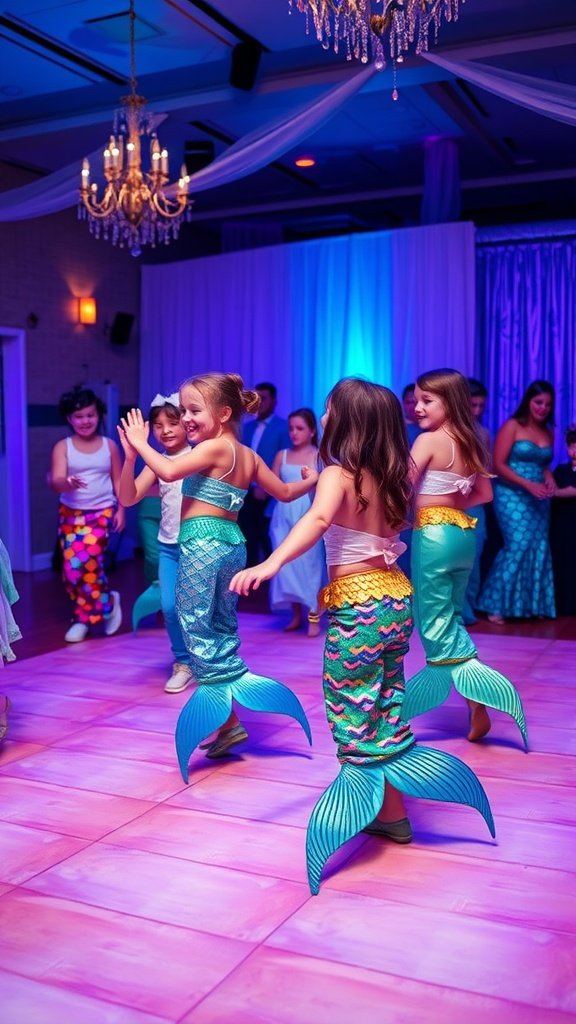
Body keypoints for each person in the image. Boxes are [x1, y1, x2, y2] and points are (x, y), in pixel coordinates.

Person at [231, 377, 495, 896]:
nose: (324, 413)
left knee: (352, 705)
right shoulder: (391, 475)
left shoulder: (339, 473)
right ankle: (393, 811)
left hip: (358, 604)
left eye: (329, 407)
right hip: (396, 599)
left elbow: (321, 517)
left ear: (344, 419)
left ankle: (368, 808)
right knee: (386, 701)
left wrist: (272, 559)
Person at [119, 373, 315, 778]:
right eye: (183, 410)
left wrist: (141, 443)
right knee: (221, 626)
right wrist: (308, 483)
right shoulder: (245, 453)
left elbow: (170, 473)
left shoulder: (215, 448)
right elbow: (283, 492)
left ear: (224, 413)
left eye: (193, 410)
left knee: (194, 628)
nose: (185, 418)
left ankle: (227, 718)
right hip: (231, 545)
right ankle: (228, 722)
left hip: (203, 544)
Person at [403, 369, 527, 747]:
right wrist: (451, 501)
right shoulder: (470, 439)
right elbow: (485, 494)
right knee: (451, 616)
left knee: (433, 623)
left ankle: (478, 696)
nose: (418, 407)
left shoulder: (427, 441)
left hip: (433, 536)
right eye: (417, 400)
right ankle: (476, 699)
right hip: (461, 533)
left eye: (427, 400)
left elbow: (400, 486)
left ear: (449, 402)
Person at [118, 393, 194, 694]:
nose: (165, 430)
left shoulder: (199, 455)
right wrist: (130, 458)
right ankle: (183, 662)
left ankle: (211, 661)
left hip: (197, 546)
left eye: (173, 423)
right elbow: (127, 497)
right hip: (168, 547)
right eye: (159, 425)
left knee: (201, 610)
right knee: (170, 607)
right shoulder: (157, 461)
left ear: (187, 424)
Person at [477, 380, 556, 624]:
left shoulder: (548, 432)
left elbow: (542, 465)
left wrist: (549, 478)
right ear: (528, 401)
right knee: (518, 544)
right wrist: (529, 485)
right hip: (511, 493)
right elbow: (497, 465)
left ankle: (532, 605)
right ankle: (494, 604)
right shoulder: (512, 425)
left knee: (539, 545)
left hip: (539, 497)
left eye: (547, 404)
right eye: (538, 402)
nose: (542, 408)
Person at [50, 387, 124, 643]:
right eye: (79, 416)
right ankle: (107, 603)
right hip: (70, 513)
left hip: (101, 512)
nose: (85, 421)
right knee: (72, 570)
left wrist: (122, 510)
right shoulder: (63, 446)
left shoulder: (109, 446)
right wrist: (67, 482)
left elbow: (119, 481)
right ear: (70, 419)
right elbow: (56, 481)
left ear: (99, 415)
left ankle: (83, 619)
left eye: (90, 415)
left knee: (89, 563)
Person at [269, 407, 324, 637]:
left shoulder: (318, 455)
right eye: (291, 428)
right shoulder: (281, 455)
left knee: (310, 566)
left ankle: (313, 617)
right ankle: (294, 615)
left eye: (300, 428)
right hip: (283, 515)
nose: (294, 433)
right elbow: (271, 483)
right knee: (287, 566)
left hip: (308, 513)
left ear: (312, 431)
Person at [239, 382, 290, 566]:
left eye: (264, 398)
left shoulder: (284, 427)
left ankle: (269, 581)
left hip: (271, 493)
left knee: (267, 537)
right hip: (245, 491)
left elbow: (286, 460)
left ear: (274, 402)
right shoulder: (246, 427)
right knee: (246, 536)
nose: (259, 402)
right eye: (256, 398)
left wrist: (266, 488)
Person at [462, 377, 491, 625]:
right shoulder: (447, 430)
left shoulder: (483, 433)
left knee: (475, 555)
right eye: (473, 405)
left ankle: (468, 610)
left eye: (482, 405)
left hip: (476, 500)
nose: (478, 410)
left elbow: (486, 471)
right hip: (450, 501)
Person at [550, 425, 576, 616]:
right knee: (562, 563)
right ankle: (562, 606)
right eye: (571, 446)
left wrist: (556, 492)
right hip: (561, 525)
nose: (574, 450)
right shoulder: (560, 470)